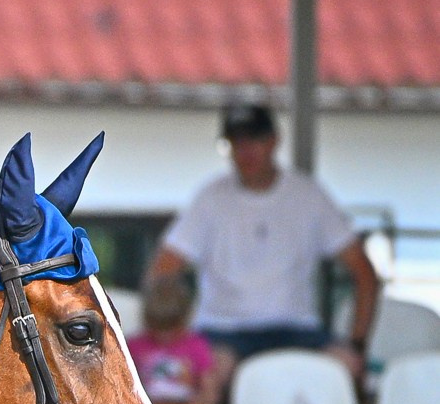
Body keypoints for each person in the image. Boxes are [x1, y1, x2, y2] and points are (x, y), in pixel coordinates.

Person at [149, 104, 380, 384]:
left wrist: (357, 344)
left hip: (298, 330)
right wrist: (172, 334)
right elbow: (163, 270)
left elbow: (364, 272)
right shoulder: (210, 198)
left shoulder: (309, 195)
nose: (245, 150)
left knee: (347, 366)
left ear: (274, 140)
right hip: (221, 333)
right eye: (236, 141)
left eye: (254, 139)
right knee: (209, 374)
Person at [126, 266, 229, 404]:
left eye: (171, 327)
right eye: (157, 326)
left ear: (185, 319)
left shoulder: (197, 346)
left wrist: (198, 402)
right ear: (146, 319)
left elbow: (210, 394)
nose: (164, 335)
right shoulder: (133, 347)